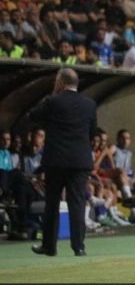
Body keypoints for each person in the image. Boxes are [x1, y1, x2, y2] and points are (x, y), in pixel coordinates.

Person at [29, 68, 97, 256]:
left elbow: (32, 116)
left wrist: (53, 95)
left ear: (60, 82)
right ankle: (79, 247)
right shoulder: (89, 104)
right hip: (79, 161)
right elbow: (92, 132)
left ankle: (49, 246)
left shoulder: (53, 101)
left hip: (56, 161)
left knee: (52, 203)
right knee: (77, 203)